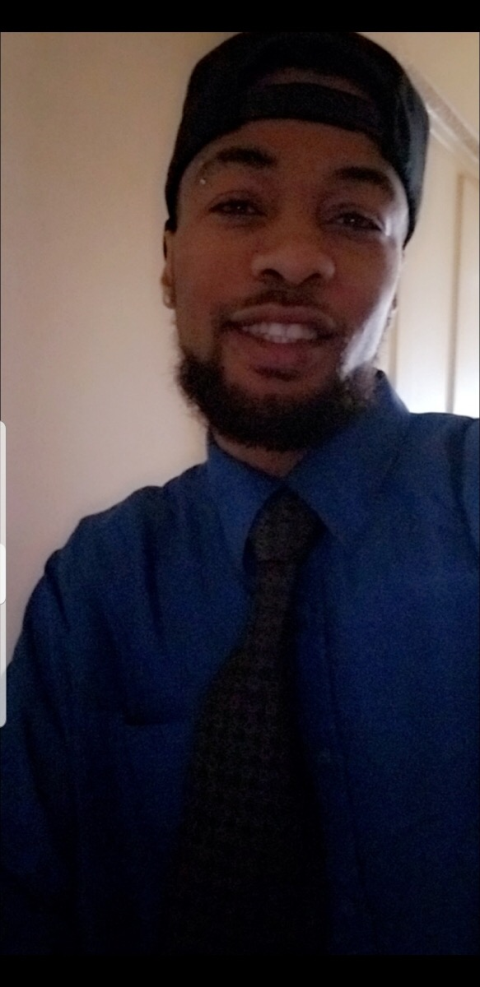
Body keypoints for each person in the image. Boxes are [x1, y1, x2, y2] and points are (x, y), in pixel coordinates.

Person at [1, 32, 478, 956]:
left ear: (397, 281)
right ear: (168, 260)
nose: (294, 256)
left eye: (354, 218)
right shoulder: (98, 582)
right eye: (239, 203)